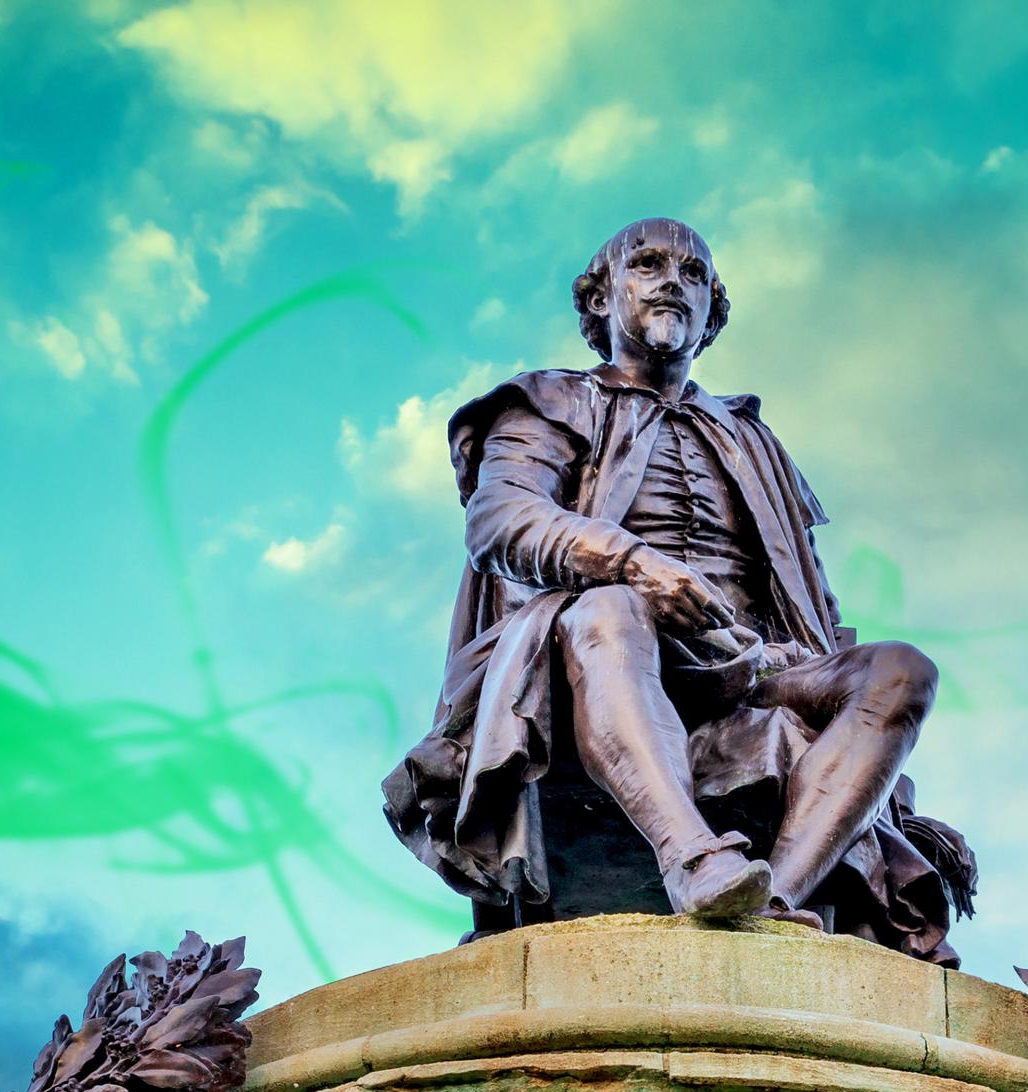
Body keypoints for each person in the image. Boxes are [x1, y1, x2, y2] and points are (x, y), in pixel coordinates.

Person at [384, 218, 974, 962]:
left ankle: (774, 897)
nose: (672, 280)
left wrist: (787, 654)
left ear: (712, 313)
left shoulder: (752, 438)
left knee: (901, 669)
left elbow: (811, 599)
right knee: (611, 607)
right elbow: (502, 518)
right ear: (601, 301)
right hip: (596, 649)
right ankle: (694, 857)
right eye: (648, 264)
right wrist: (632, 562)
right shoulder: (547, 401)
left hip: (746, 671)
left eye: (693, 274)